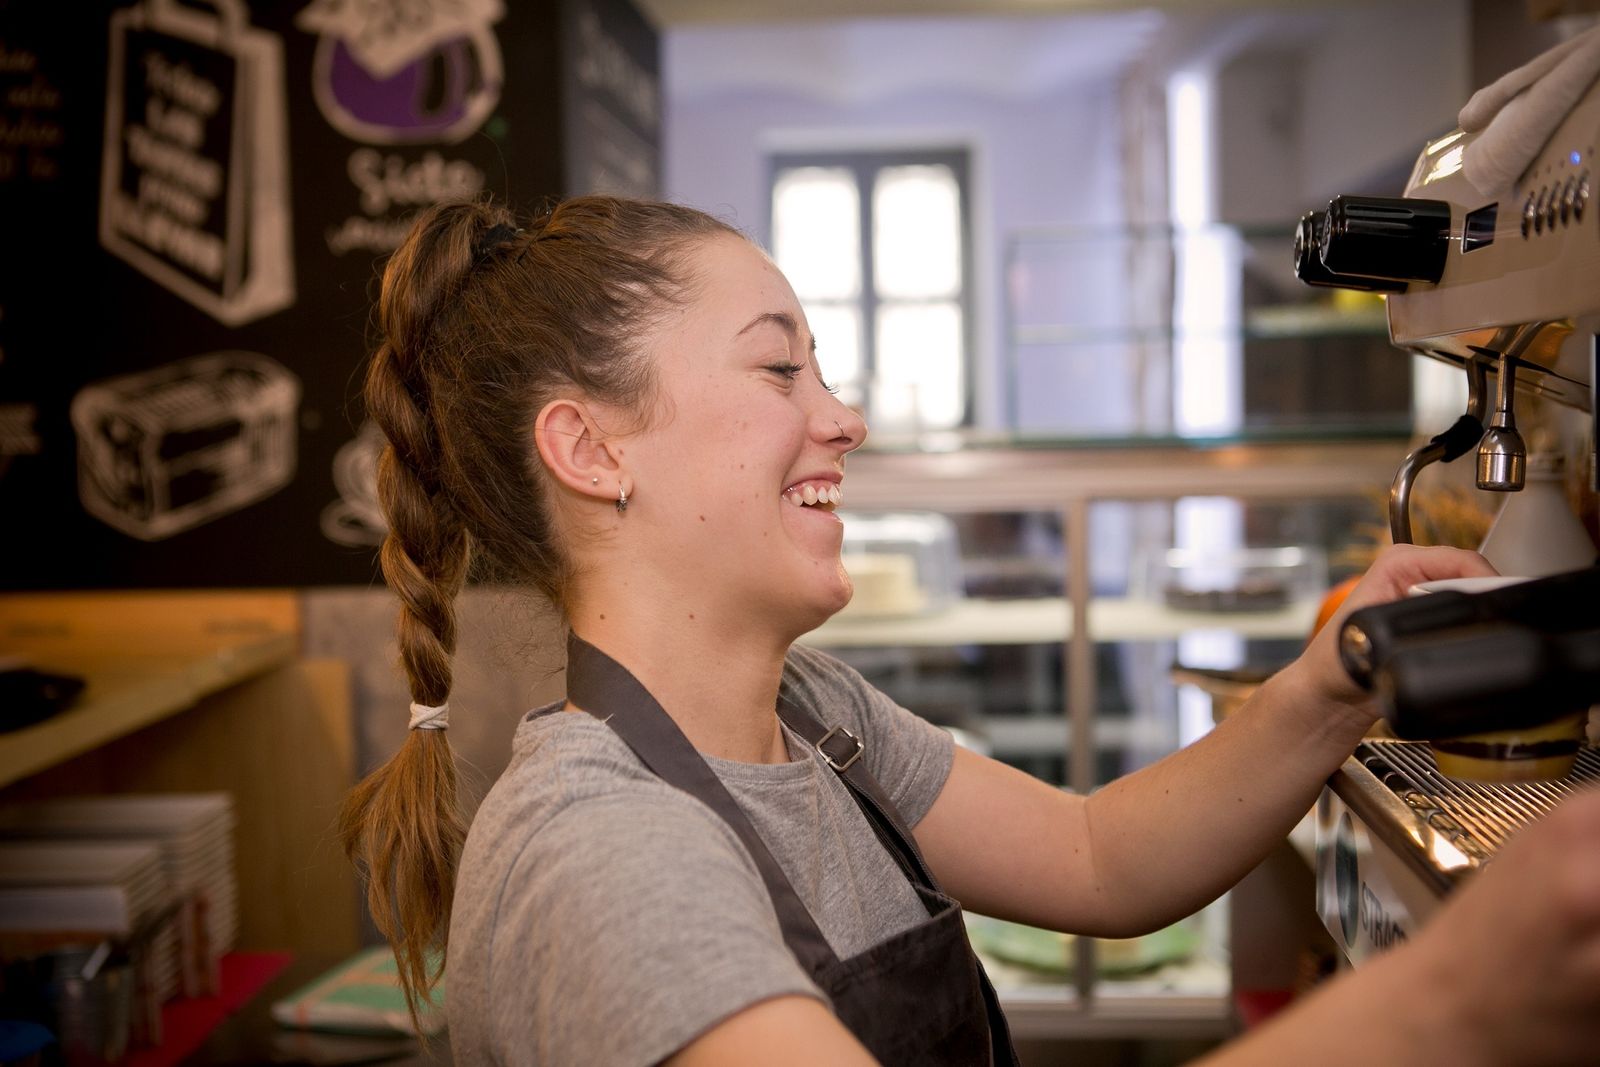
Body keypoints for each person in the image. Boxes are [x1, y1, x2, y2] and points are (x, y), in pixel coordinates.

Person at [339, 195, 1600, 1066]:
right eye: (780, 370)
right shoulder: (599, 851)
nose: (845, 418)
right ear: (591, 449)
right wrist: (1456, 993)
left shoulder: (814, 715)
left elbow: (1101, 858)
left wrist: (1334, 683)